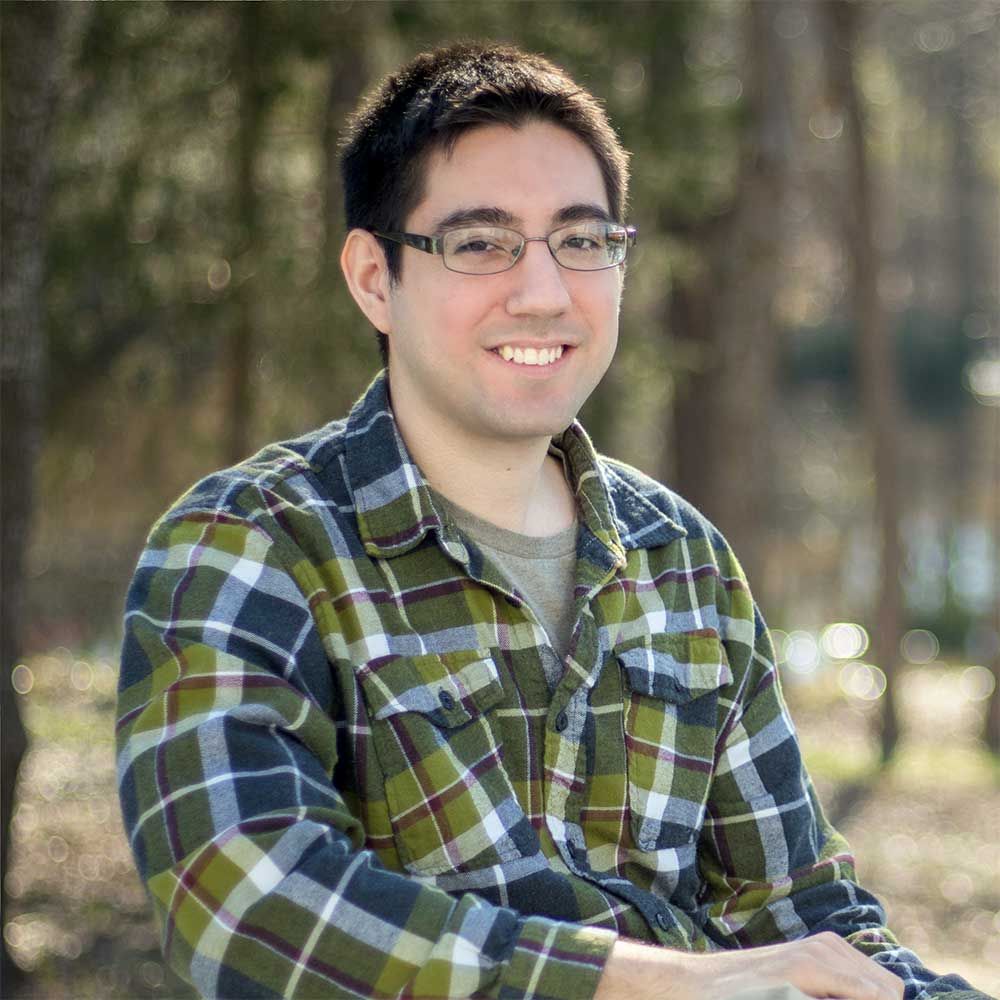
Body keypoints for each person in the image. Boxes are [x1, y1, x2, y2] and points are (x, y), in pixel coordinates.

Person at [116, 42, 991, 1000]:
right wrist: (652, 982)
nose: (544, 292)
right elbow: (245, 908)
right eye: (480, 243)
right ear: (374, 277)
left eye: (583, 241)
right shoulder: (252, 545)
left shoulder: (683, 560)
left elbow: (805, 916)